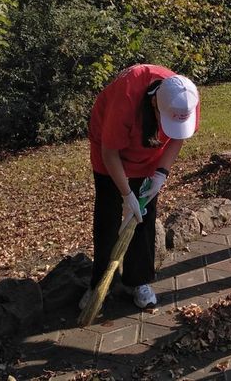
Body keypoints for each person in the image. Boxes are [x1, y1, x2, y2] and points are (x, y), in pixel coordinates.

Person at [82, 65, 200, 310]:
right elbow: (109, 153)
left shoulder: (187, 98)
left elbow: (178, 138)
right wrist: (126, 194)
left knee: (144, 218)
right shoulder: (126, 97)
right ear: (156, 104)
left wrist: (161, 175)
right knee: (108, 218)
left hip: (149, 159)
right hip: (110, 157)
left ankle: (138, 281)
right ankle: (99, 285)